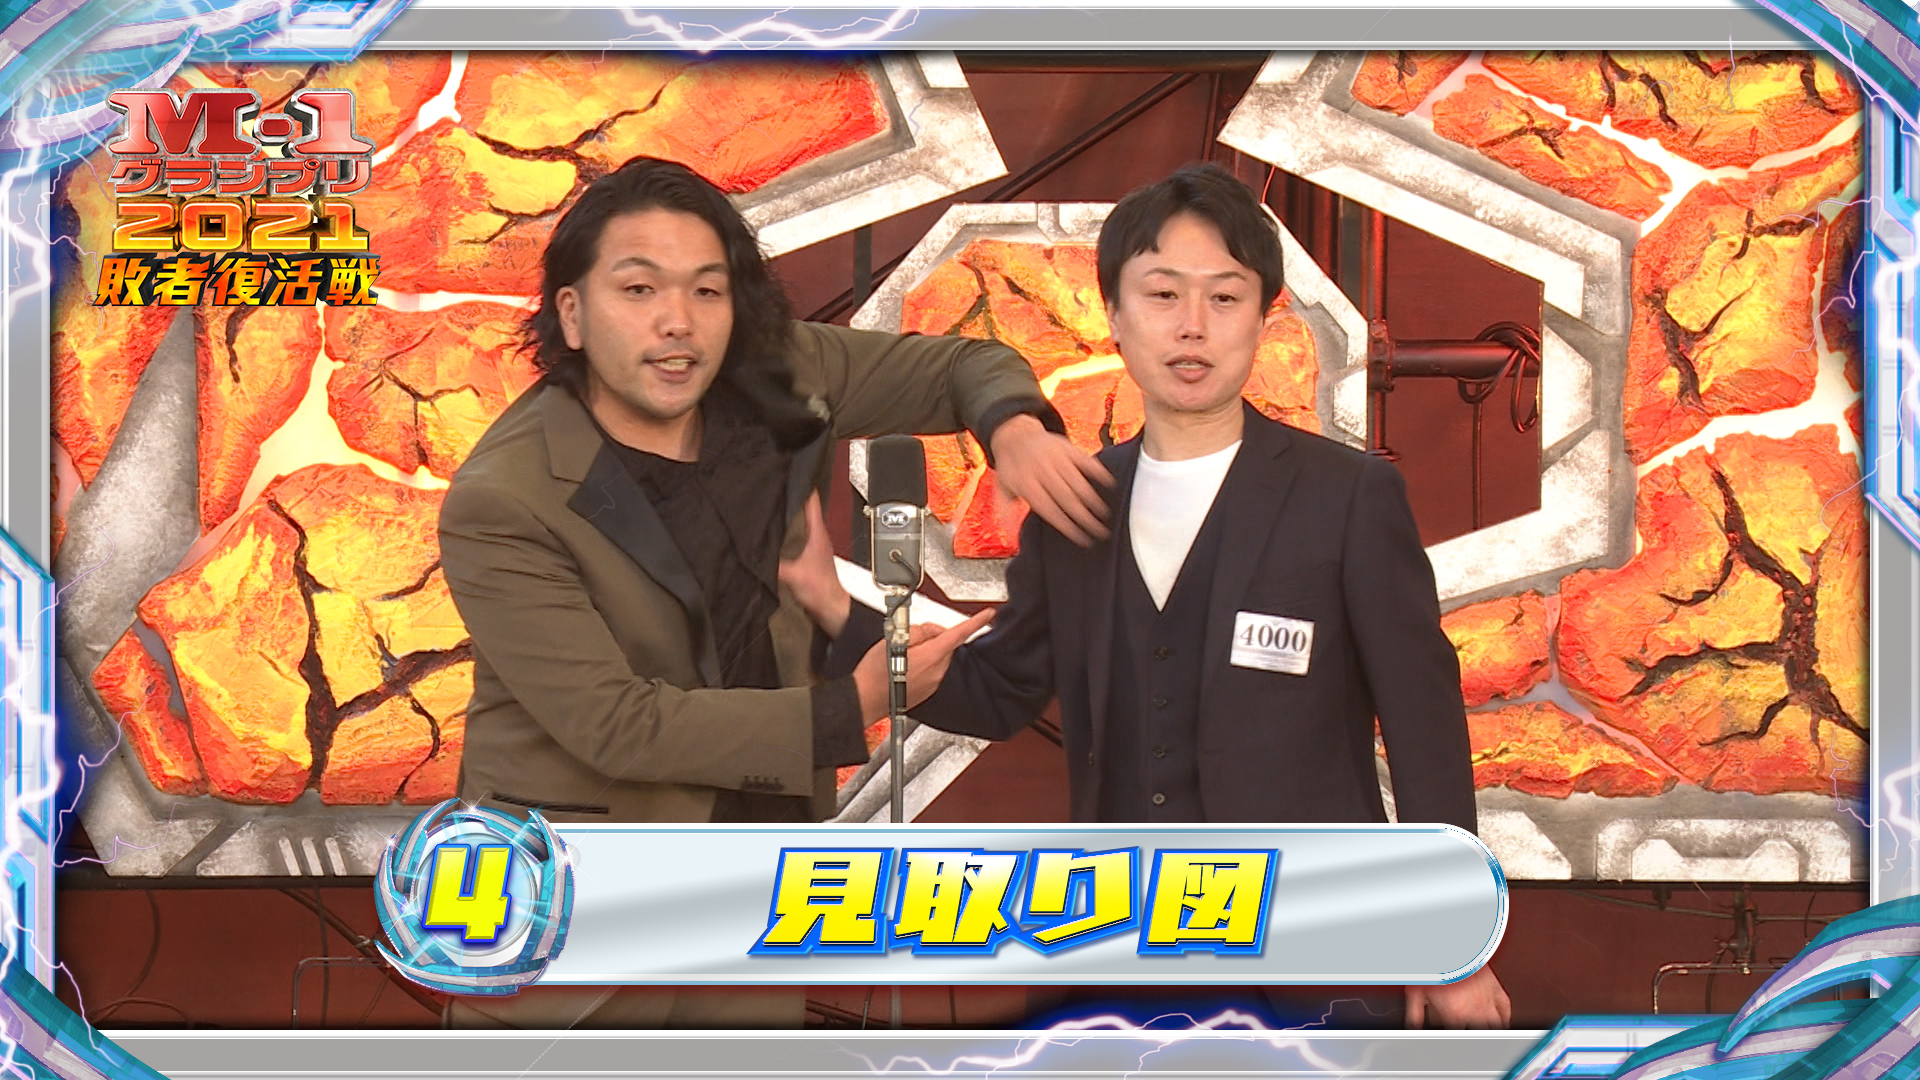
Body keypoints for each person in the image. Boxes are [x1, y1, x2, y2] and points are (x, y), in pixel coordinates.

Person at [820, 162, 1510, 1028]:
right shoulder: (1077, 505)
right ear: (1114, 314)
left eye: (1224, 297)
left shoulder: (1347, 497)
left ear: (1265, 316)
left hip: (1313, 949)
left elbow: (1424, 724)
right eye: (1162, 295)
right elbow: (997, 695)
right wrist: (827, 602)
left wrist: (1452, 937)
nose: (1192, 326)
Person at [435, 155, 1111, 1027]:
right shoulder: (504, 498)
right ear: (571, 312)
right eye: (638, 290)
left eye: (707, 291)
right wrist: (852, 704)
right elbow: (616, 725)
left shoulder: (776, 375)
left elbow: (959, 367)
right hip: (579, 897)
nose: (677, 322)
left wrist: (1012, 428)